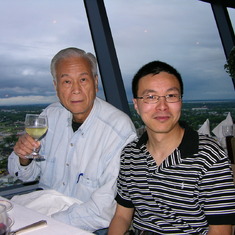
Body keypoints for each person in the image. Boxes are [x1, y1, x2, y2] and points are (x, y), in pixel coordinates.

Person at [8, 47, 137, 234]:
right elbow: (23, 175)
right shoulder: (49, 116)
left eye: (83, 80)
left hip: (89, 226)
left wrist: (47, 224)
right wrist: (24, 158)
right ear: (56, 86)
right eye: (67, 81)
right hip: (44, 211)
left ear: (95, 82)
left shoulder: (118, 130)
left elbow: (103, 211)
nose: (76, 90)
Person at [108, 61, 235, 235]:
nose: (162, 106)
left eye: (171, 96)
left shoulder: (209, 155)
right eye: (151, 97)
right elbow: (122, 216)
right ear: (136, 105)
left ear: (181, 101)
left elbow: (221, 230)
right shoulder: (130, 154)